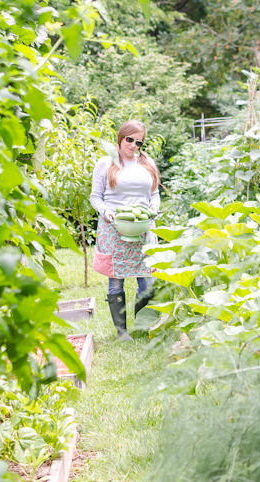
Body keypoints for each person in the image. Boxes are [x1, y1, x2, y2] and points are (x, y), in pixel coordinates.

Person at [90, 120, 161, 341]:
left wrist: (154, 208)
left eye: (138, 142)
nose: (133, 145)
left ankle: (142, 323)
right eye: (129, 139)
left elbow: (155, 194)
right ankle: (121, 331)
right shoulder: (106, 163)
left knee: (147, 279)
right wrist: (106, 212)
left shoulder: (147, 163)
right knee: (116, 279)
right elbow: (95, 197)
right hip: (114, 228)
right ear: (121, 137)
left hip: (143, 228)